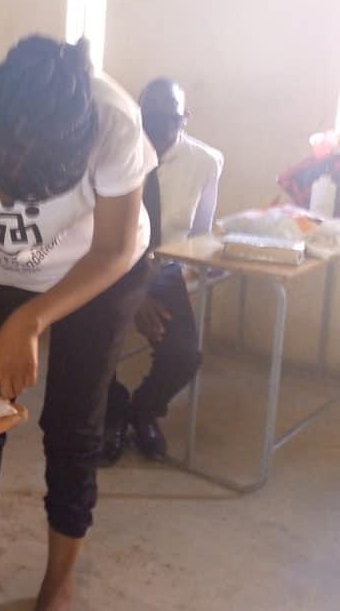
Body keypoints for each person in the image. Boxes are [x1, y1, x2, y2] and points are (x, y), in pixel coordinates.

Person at [0, 35, 156, 610]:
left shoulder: (113, 120)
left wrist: (32, 319)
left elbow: (114, 246)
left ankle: (58, 582)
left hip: (100, 272)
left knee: (73, 427)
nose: (9, 207)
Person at [103, 78, 224, 464]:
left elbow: (199, 238)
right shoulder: (114, 153)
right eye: (146, 117)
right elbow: (98, 231)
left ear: (184, 118)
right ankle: (112, 411)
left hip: (165, 273)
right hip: (112, 266)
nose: (154, 128)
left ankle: (144, 411)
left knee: (184, 354)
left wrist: (152, 290)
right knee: (88, 344)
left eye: (167, 118)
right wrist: (135, 293)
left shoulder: (205, 163)